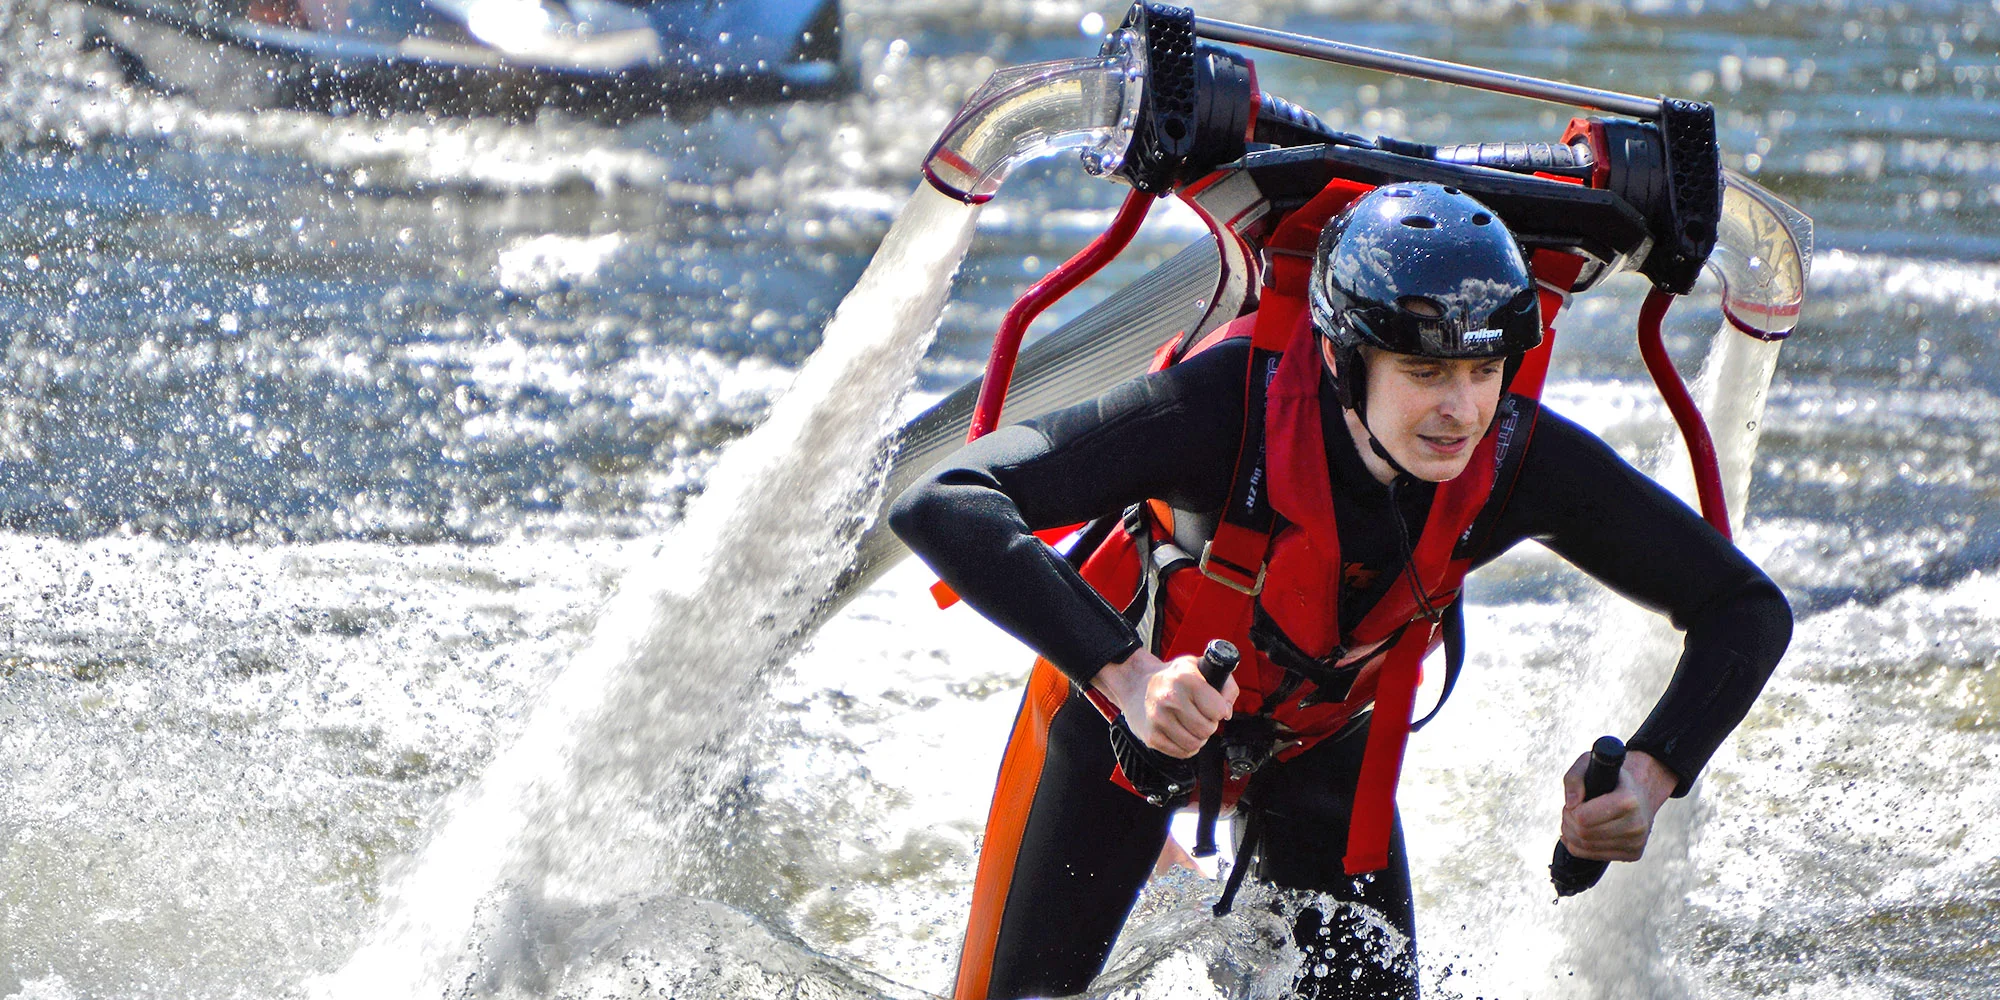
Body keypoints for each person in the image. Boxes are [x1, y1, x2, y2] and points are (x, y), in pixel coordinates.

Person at [889, 181, 1792, 999]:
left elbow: (1744, 611)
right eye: (1426, 371)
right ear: (1342, 359)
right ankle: (1169, 871)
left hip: (1325, 756)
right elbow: (946, 501)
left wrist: (1651, 769)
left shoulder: (1516, 458)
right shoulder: (1220, 408)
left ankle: (1190, 890)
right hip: (1119, 732)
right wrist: (1128, 676)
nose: (1462, 411)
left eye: (1485, 371)